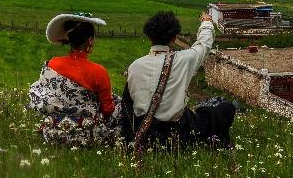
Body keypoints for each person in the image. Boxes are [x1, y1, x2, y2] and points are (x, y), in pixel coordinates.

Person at [121, 10, 235, 151]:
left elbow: (128, 105)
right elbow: (204, 44)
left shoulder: (134, 66)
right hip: (178, 133)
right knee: (225, 108)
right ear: (174, 38)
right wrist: (206, 21)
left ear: (149, 37)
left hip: (145, 133)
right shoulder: (184, 59)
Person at [27, 12, 121, 146]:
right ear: (90, 40)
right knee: (120, 104)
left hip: (53, 132)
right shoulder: (99, 71)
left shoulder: (52, 63)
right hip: (87, 135)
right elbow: (107, 110)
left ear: (69, 39)